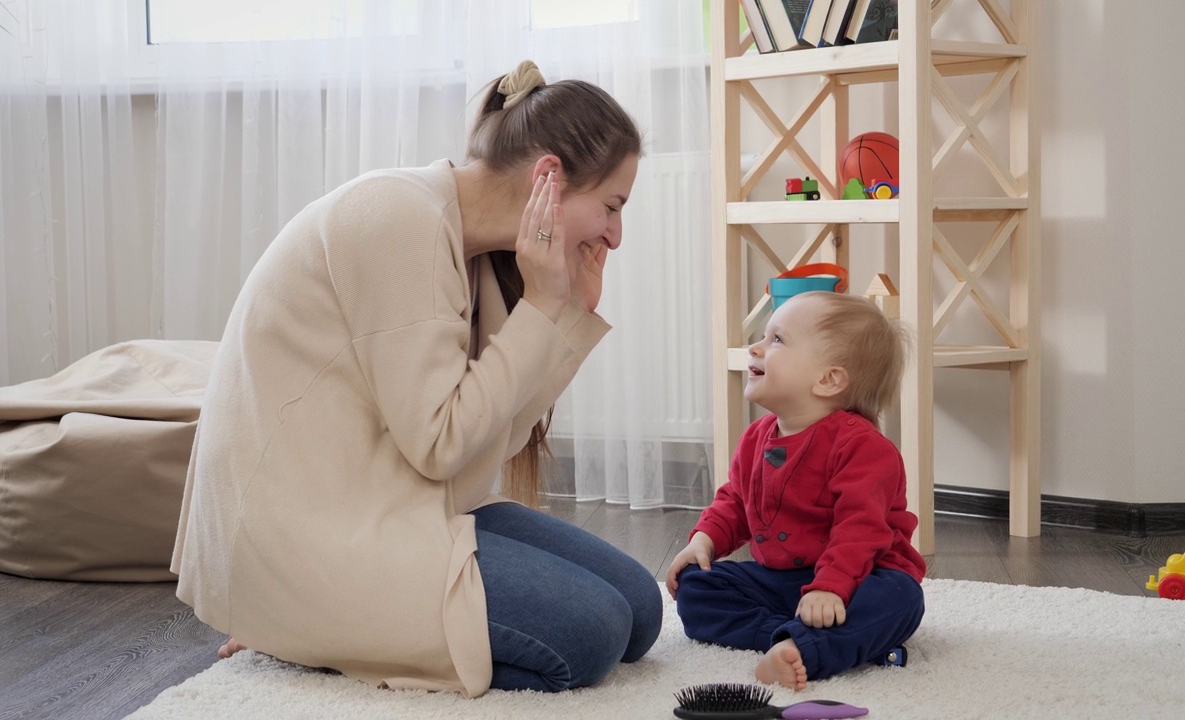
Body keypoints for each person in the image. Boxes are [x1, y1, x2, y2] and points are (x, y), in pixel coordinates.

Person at [170, 59, 662, 698]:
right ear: (550, 177)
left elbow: (487, 446)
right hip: (304, 536)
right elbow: (442, 448)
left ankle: (348, 630)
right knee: (592, 635)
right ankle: (301, 631)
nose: (616, 236)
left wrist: (566, 314)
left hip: (399, 505)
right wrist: (541, 308)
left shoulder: (476, 253)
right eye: (611, 206)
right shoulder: (398, 217)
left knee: (640, 611)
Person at [666, 291, 926, 691]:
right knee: (697, 587)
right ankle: (797, 637)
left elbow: (861, 530)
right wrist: (704, 540)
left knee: (901, 600)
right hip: (781, 581)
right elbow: (735, 499)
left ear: (828, 379)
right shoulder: (756, 437)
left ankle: (812, 644)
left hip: (859, 576)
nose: (756, 347)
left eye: (777, 340)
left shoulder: (865, 449)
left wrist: (829, 587)